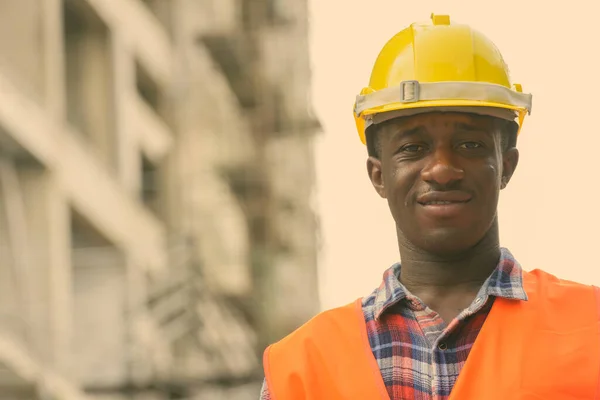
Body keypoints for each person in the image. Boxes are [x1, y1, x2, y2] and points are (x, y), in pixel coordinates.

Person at [259, 13, 600, 400]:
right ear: (379, 176)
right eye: (412, 148)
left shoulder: (593, 326)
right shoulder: (299, 370)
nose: (441, 169)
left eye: (470, 145)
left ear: (506, 165)